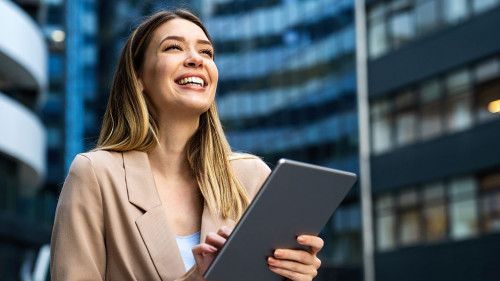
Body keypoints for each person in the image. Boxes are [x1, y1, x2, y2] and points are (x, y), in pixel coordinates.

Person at [50, 9, 323, 281]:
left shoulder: (252, 178)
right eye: (173, 47)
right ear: (139, 78)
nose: (196, 59)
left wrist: (295, 274)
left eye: (206, 52)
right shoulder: (95, 175)